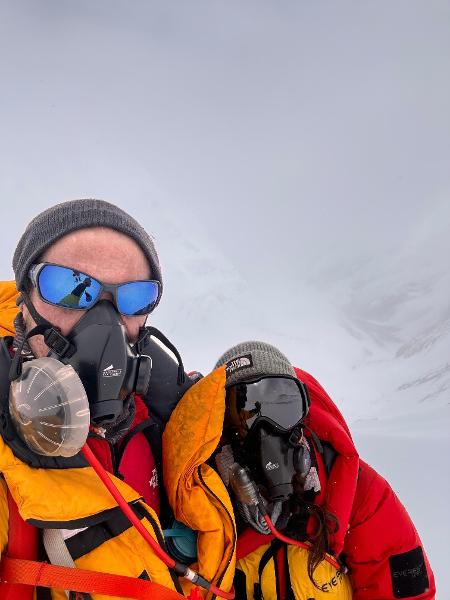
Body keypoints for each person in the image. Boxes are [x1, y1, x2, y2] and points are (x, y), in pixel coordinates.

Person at [0, 199, 212, 600]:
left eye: (134, 298)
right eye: (69, 287)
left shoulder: (169, 428)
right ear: (24, 298)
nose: (104, 319)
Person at [162, 341, 436, 600]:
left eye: (282, 406)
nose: (265, 430)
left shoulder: (356, 491)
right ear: (219, 431)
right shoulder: (198, 500)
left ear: (304, 414)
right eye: (243, 413)